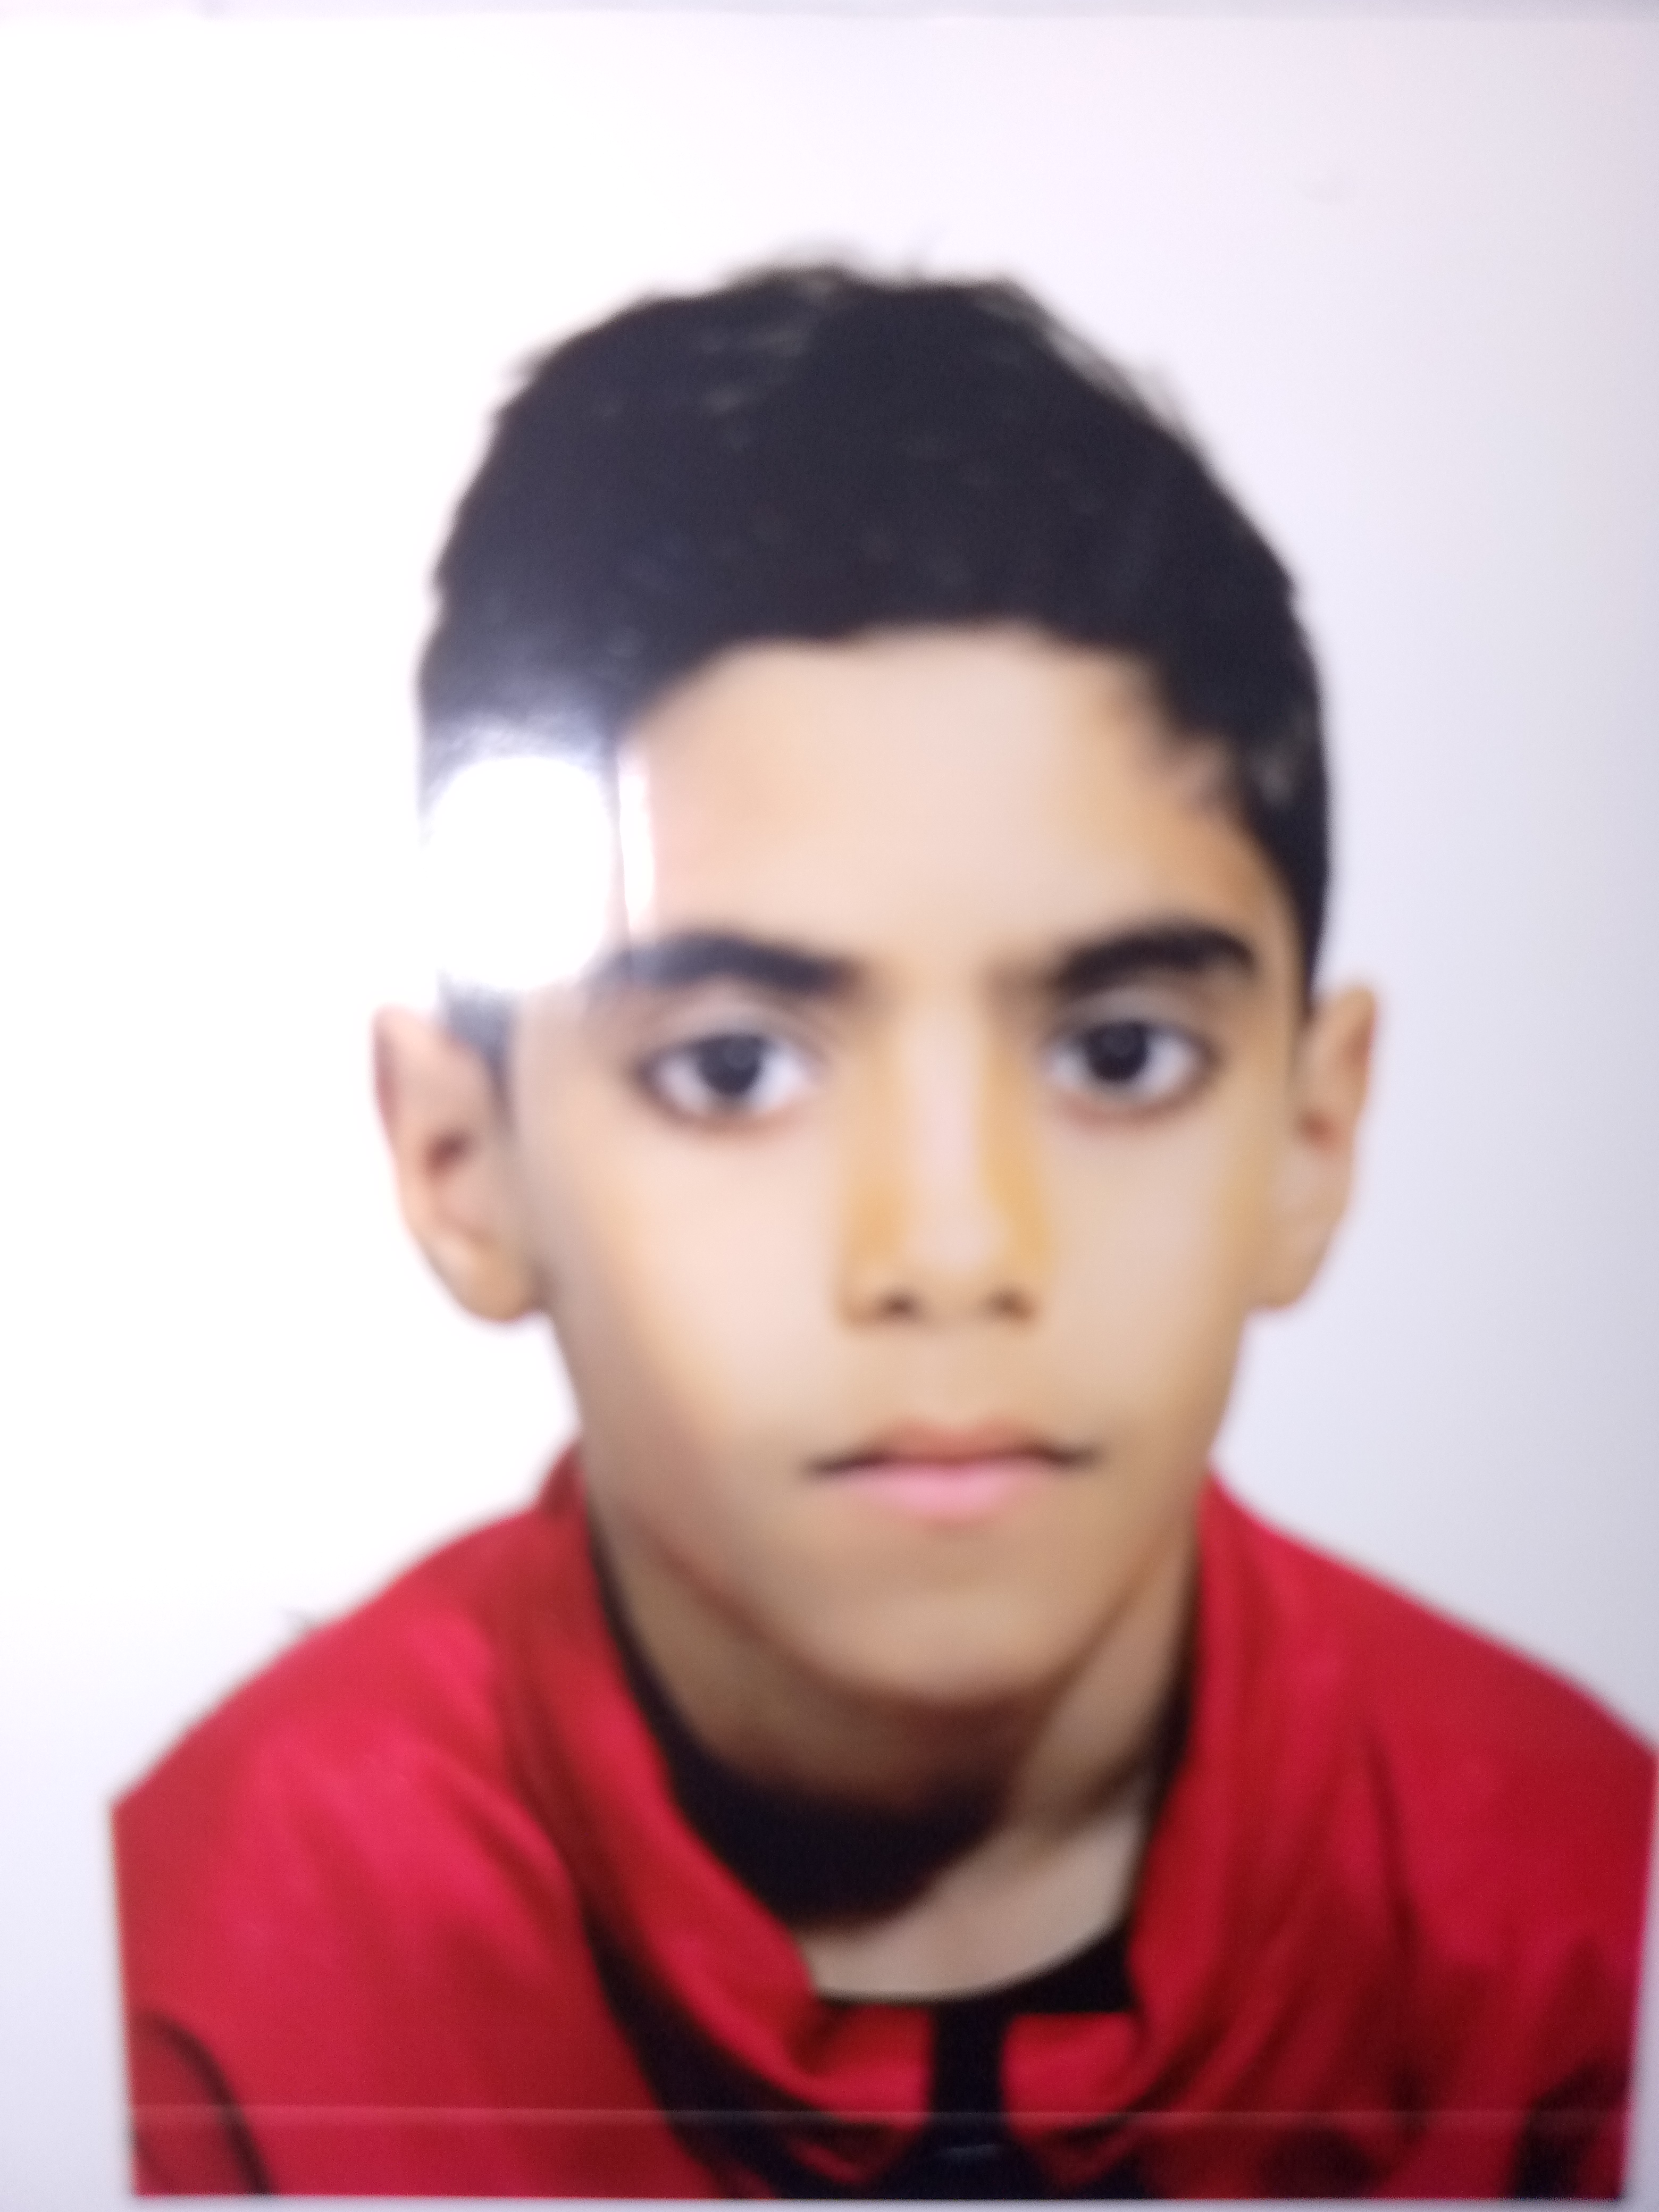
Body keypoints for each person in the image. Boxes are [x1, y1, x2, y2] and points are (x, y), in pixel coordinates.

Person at [114, 268, 1654, 2200]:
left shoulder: (1586, 1919)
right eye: (735, 1068)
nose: (951, 1248)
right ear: (457, 1161)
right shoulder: (194, 1978)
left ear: (1311, 1137)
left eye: (1118, 1053)